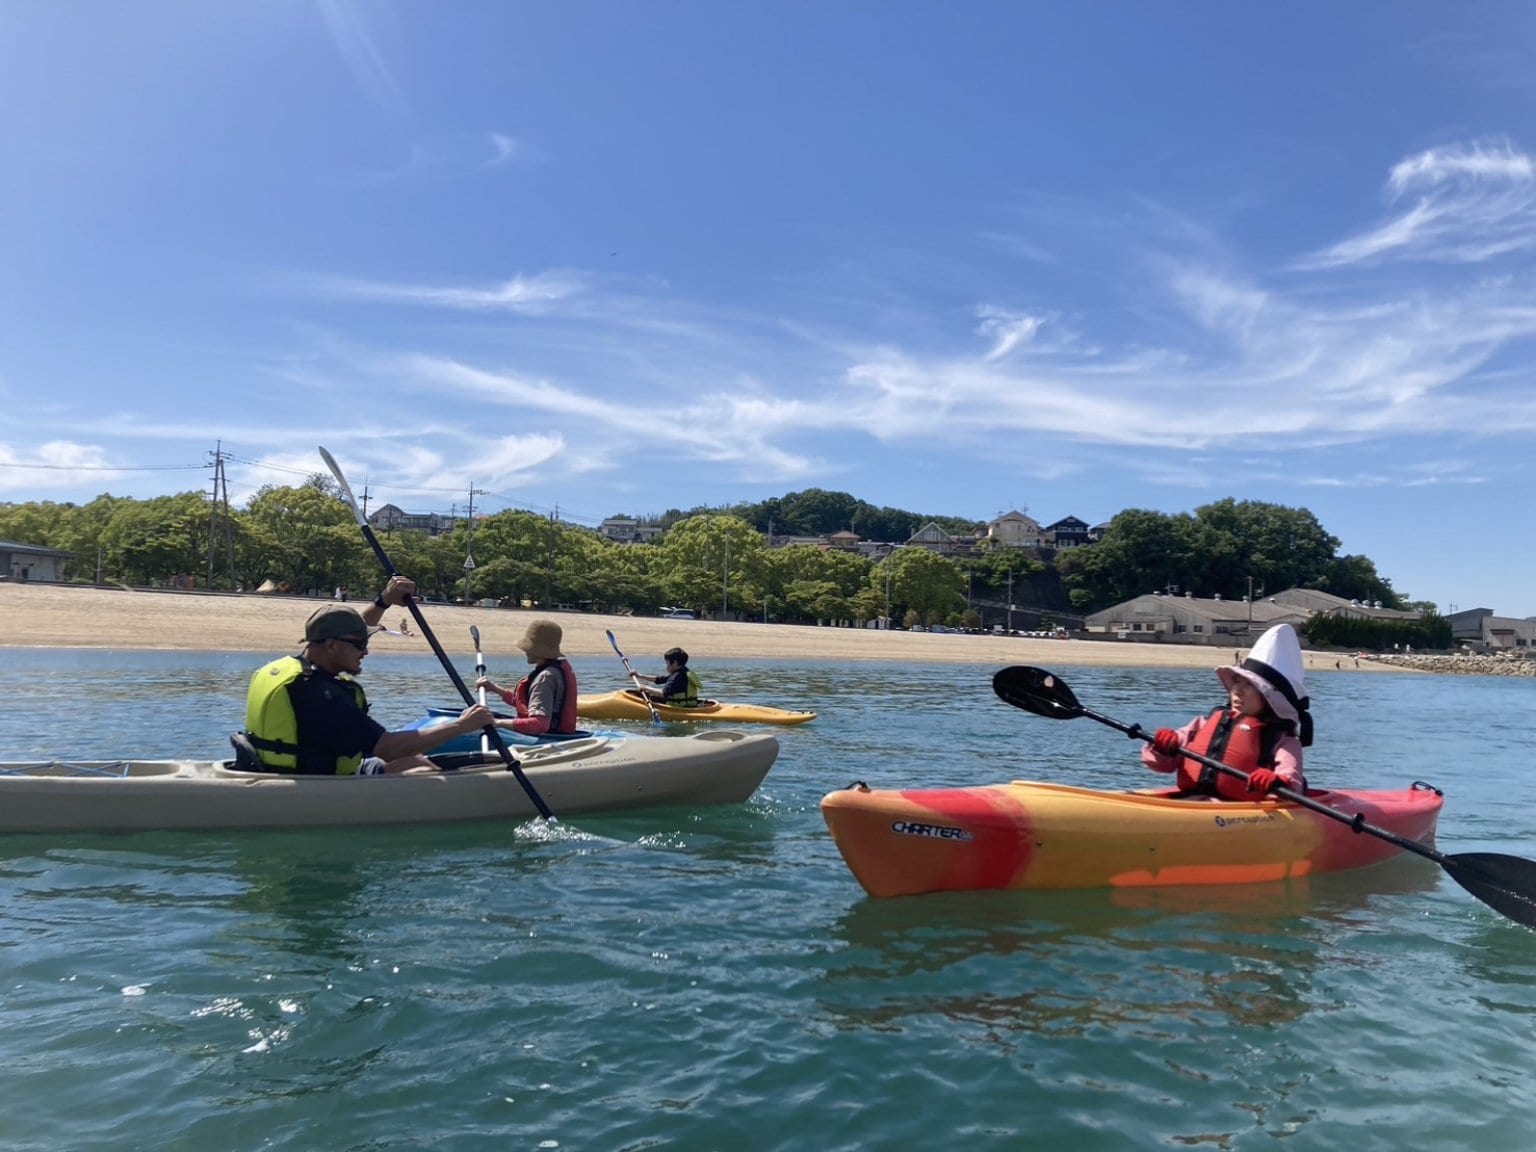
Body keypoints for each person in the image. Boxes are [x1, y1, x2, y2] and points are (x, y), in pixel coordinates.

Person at [241, 575, 492, 775]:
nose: (366, 651)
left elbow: (350, 628)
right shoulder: (326, 699)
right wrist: (462, 725)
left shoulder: (298, 669)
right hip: (322, 786)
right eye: (360, 645)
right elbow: (389, 748)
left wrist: (385, 600)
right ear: (331, 646)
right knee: (420, 770)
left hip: (293, 767)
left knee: (416, 761)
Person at [1142, 622, 1313, 800]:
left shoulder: (1285, 741)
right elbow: (1160, 765)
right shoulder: (1203, 724)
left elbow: (1291, 781)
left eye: (1250, 685)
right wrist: (1162, 748)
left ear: (1270, 699)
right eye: (1237, 681)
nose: (1238, 690)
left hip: (1241, 814)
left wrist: (1277, 783)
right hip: (1192, 802)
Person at [475, 619, 579, 736]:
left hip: (548, 739)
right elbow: (527, 703)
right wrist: (495, 689)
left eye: (527, 647)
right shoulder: (556, 669)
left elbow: (540, 725)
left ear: (537, 650)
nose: (525, 651)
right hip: (561, 734)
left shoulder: (544, 679)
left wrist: (496, 723)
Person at [634, 646, 702, 707]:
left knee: (645, 695)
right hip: (689, 706)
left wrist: (645, 688)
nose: (667, 666)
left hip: (679, 709)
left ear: (675, 663)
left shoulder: (676, 676)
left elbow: (664, 693)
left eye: (667, 663)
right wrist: (640, 676)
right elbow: (660, 679)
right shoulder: (686, 673)